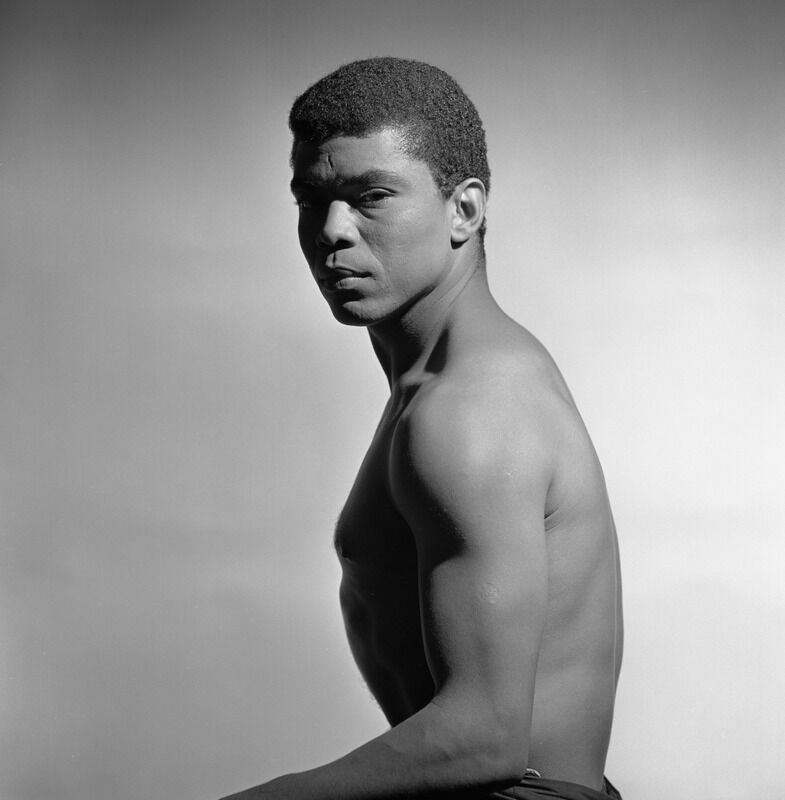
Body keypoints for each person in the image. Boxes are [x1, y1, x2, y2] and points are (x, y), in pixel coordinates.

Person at [221, 57, 623, 800]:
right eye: (311, 199)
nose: (331, 231)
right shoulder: (437, 384)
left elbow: (485, 735)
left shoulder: (469, 409)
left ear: (463, 211)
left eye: (370, 196)